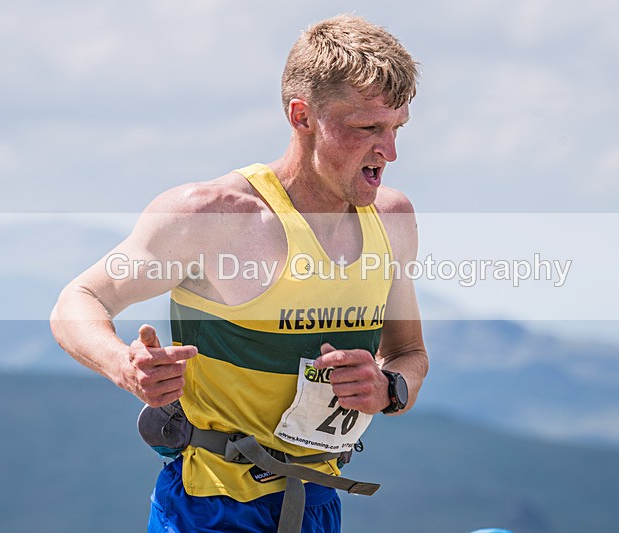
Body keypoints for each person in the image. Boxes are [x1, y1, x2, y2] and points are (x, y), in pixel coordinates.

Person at [50, 14, 429, 533]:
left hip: (318, 501)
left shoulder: (392, 219)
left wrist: (389, 388)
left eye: (396, 127)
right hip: (208, 507)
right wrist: (124, 365)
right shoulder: (214, 216)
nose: (389, 151)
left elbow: (409, 355)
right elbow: (79, 299)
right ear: (302, 116)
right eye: (367, 129)